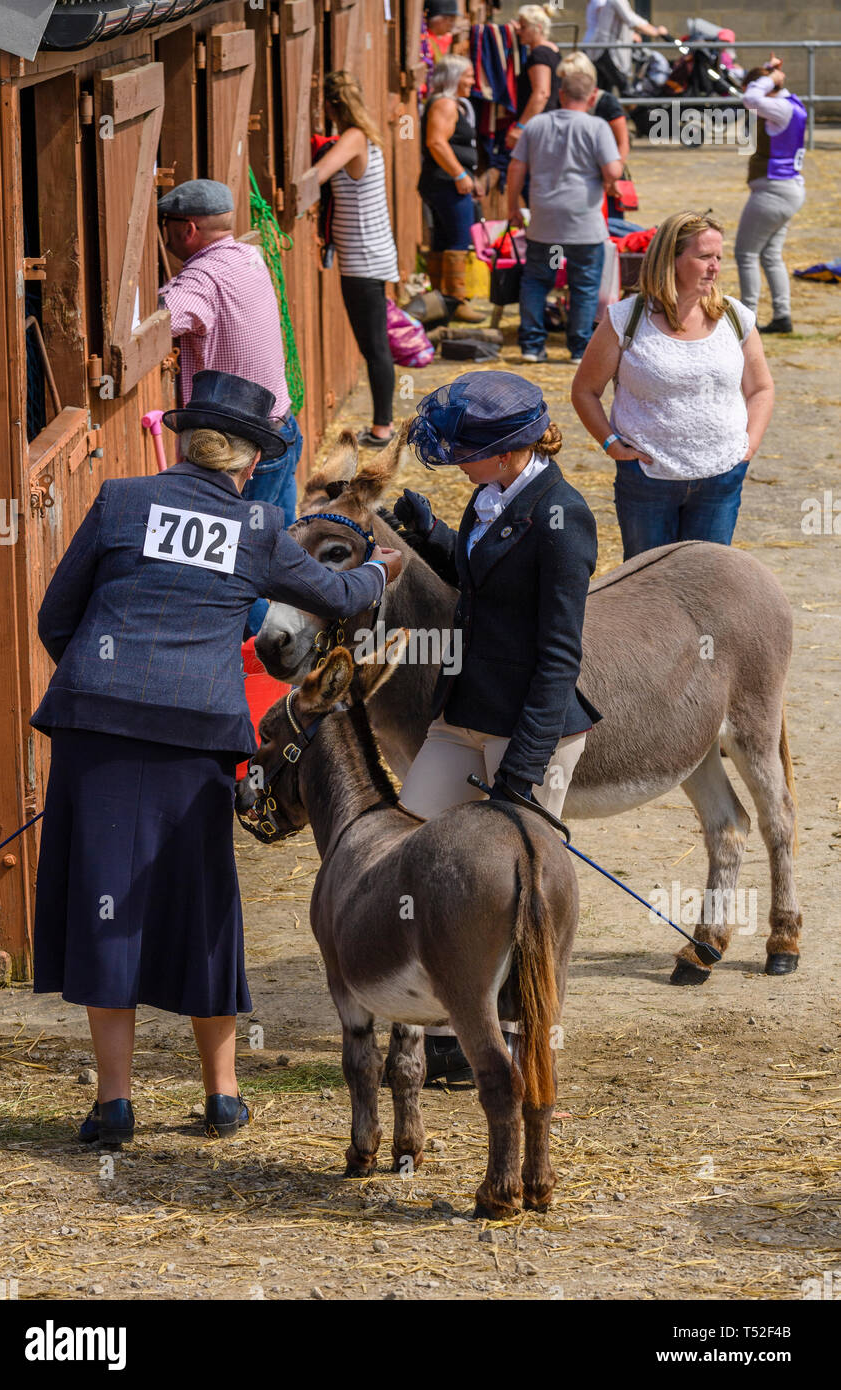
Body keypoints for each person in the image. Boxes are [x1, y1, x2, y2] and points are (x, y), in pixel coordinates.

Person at [30, 370, 402, 1148]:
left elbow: (56, 617)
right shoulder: (259, 527)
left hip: (97, 726)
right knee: (203, 907)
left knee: (107, 901)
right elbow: (337, 597)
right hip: (196, 734)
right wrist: (379, 571)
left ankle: (114, 1106)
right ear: (244, 462)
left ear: (181, 441)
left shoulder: (122, 501)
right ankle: (223, 1098)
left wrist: (107, 684)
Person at [393, 372, 601, 1082]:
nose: (453, 460)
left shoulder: (565, 517)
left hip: (529, 728)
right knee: (407, 840)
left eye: (463, 450)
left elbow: (558, 654)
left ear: (509, 450)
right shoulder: (487, 494)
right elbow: (481, 580)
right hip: (463, 714)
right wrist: (431, 536)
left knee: (518, 893)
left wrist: (524, 768)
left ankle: (517, 1044)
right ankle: (434, 1011)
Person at [571, 211, 775, 559]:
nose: (715, 267)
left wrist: (748, 448)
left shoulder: (734, 316)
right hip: (647, 480)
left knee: (706, 586)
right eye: (704, 257)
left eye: (718, 258)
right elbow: (584, 391)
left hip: (721, 478)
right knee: (648, 586)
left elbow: (761, 389)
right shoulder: (627, 318)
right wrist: (611, 444)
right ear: (671, 259)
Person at [158, 178, 302, 634]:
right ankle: (297, 650)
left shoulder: (201, 278)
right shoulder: (248, 257)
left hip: (241, 452)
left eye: (167, 226)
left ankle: (258, 662)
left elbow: (162, 321)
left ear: (188, 229)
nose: (164, 236)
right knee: (279, 553)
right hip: (282, 428)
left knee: (236, 564)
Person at [506, 63, 622, 363]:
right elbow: (613, 169)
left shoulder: (535, 125)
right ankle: (578, 347)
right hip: (583, 223)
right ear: (592, 97)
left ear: (560, 94)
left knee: (538, 280)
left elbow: (516, 166)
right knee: (583, 284)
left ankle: (532, 345)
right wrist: (610, 179)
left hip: (546, 222)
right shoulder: (597, 127)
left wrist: (512, 209)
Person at [314, 72, 401, 449]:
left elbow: (317, 175)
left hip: (362, 257)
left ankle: (383, 427)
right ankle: (384, 423)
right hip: (370, 251)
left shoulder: (352, 138)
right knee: (374, 343)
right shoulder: (365, 135)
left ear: (333, 107)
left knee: (374, 346)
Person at [735, 55, 807, 335]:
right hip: (786, 189)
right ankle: (782, 315)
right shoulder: (790, 104)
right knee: (771, 255)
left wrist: (769, 78)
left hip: (774, 190)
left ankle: (747, 320)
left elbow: (751, 99)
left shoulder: (779, 107)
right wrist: (771, 73)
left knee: (745, 253)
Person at [418, 56, 485, 324]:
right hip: (447, 183)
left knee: (443, 243)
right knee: (458, 242)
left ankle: (438, 303)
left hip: (444, 182)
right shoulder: (445, 104)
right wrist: (459, 174)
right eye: (468, 75)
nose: (472, 81)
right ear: (454, 77)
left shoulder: (445, 102)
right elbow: (436, 142)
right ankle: (457, 302)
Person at [557, 50, 641, 237]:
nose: (566, 85)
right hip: (577, 178)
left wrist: (613, 177)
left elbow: (622, 142)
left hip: (606, 176)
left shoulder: (606, 102)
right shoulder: (561, 101)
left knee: (610, 229)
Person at [504, 6, 561, 151]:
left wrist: (520, 127)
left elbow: (541, 93)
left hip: (539, 126)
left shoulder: (539, 54)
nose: (519, 31)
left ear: (538, 28)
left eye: (523, 27)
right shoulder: (552, 49)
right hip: (548, 121)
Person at [582, 0, 669, 93]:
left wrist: (632, 34)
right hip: (603, 49)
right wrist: (655, 31)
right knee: (624, 89)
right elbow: (630, 18)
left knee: (603, 89)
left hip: (597, 49)